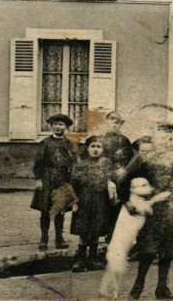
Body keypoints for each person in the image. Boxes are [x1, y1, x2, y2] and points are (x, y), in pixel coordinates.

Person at [116, 120, 173, 299]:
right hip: (149, 211)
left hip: (170, 209)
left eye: (169, 136)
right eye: (162, 136)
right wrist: (127, 202)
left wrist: (172, 193)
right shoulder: (143, 156)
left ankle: (162, 288)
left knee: (168, 250)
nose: (166, 139)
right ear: (154, 137)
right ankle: (137, 288)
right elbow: (124, 179)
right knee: (148, 250)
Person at [31, 114, 77, 251]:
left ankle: (59, 238)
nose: (58, 127)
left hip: (63, 179)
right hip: (47, 179)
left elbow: (74, 162)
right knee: (45, 209)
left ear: (66, 127)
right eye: (55, 124)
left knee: (60, 209)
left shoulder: (69, 143)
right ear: (51, 126)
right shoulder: (45, 143)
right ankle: (44, 238)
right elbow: (38, 163)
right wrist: (38, 179)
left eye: (61, 124)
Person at [70, 135, 113, 272]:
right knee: (84, 228)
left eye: (98, 147)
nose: (95, 149)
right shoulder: (81, 164)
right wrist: (74, 201)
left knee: (96, 228)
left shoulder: (107, 163)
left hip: (101, 199)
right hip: (85, 198)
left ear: (103, 149)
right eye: (92, 146)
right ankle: (80, 259)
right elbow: (74, 184)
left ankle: (93, 259)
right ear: (87, 148)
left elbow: (113, 180)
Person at [100, 111, 133, 244]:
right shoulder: (100, 139)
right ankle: (104, 232)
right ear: (107, 122)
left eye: (118, 122)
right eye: (112, 121)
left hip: (120, 176)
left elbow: (131, 159)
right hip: (105, 176)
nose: (115, 124)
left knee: (119, 204)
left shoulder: (124, 140)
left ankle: (113, 234)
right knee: (104, 205)